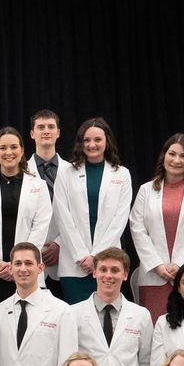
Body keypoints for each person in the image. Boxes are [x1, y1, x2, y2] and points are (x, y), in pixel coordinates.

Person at [128, 132, 184, 322]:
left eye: (183, 156)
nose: (176, 160)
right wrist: (157, 265)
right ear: (164, 156)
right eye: (172, 154)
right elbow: (137, 229)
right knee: (155, 335)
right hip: (155, 277)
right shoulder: (146, 190)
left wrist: (181, 264)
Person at [0, 126, 51, 314]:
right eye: (3, 148)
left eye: (14, 147)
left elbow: (40, 227)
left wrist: (18, 263)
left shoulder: (39, 186)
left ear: (21, 151)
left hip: (26, 272)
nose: (9, 152)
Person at [52, 117, 133, 305]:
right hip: (75, 263)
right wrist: (82, 256)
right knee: (77, 321)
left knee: (106, 318)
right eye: (86, 140)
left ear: (107, 142)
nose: (92, 144)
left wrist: (97, 256)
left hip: (108, 263)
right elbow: (62, 216)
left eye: (97, 139)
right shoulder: (66, 172)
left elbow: (119, 220)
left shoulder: (122, 174)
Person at [71, 247, 153, 366]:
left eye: (115, 270)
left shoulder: (141, 315)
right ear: (94, 273)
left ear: (125, 275)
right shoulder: (73, 313)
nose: (109, 275)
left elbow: (146, 365)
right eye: (103, 269)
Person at [28, 110, 70, 291]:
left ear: (58, 133)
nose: (46, 131)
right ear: (32, 133)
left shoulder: (73, 172)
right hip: (31, 258)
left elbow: (78, 214)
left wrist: (60, 243)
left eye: (51, 127)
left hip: (66, 256)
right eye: (41, 127)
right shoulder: (22, 172)